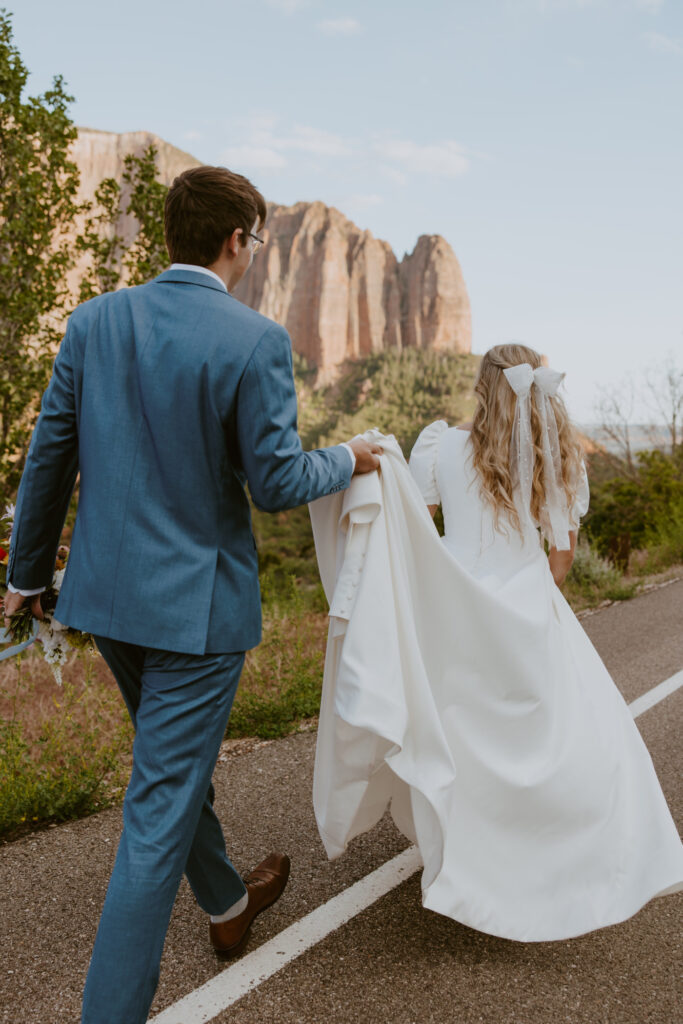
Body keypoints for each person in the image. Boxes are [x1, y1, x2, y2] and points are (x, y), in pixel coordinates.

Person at [3, 165, 381, 1024]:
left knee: (170, 773)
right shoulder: (252, 339)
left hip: (103, 605)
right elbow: (279, 482)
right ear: (237, 239)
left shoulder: (94, 321)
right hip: (196, 618)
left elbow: (47, 461)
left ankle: (225, 905)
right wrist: (350, 457)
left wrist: (27, 582)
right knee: (156, 808)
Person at [309, 342, 682, 942]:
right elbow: (561, 556)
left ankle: (465, 846)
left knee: (456, 728)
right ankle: (553, 850)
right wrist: (532, 591)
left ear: (483, 387)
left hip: (455, 599)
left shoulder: (442, 445)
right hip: (527, 601)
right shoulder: (556, 458)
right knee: (557, 733)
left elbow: (418, 520)